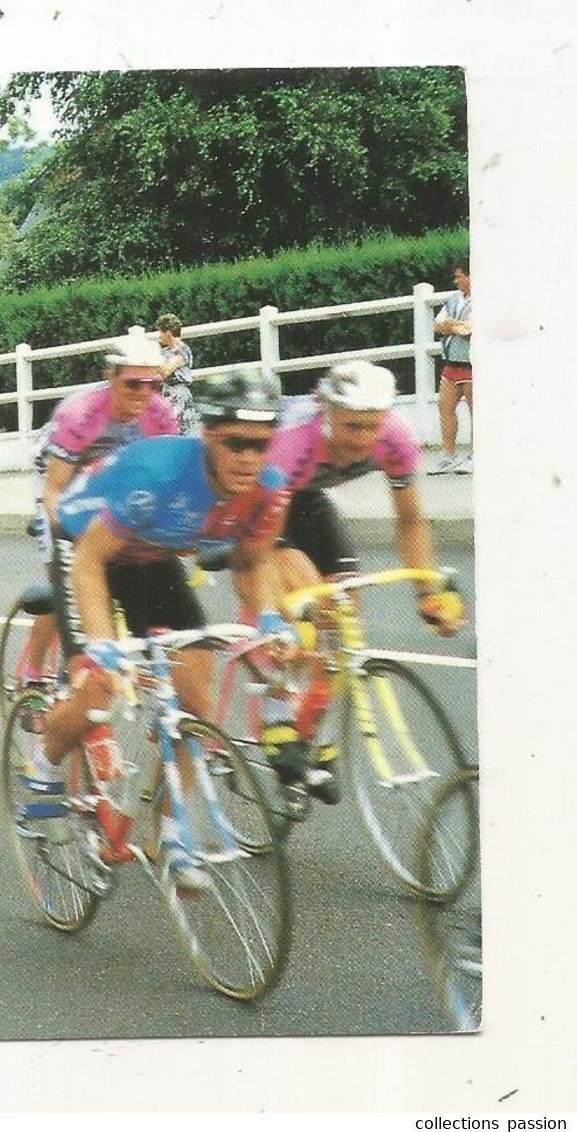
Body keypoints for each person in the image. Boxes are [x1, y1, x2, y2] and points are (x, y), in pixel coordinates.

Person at [38, 368, 295, 890]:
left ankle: (173, 834)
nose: (250, 457)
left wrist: (269, 617)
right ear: (210, 436)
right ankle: (40, 772)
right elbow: (90, 562)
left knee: (197, 706)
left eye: (261, 445)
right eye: (236, 444)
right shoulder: (160, 476)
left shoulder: (267, 489)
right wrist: (104, 647)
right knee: (99, 689)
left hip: (151, 554)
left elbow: (255, 561)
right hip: (88, 546)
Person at [261, 360, 466, 800]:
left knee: (345, 611)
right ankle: (276, 712)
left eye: (371, 427)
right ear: (326, 413)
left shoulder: (395, 437)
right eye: (352, 426)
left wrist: (427, 592)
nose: (362, 440)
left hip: (309, 499)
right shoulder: (293, 441)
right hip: (260, 505)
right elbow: (259, 541)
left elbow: (410, 520)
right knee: (306, 603)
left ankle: (312, 720)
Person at [13, 335, 180, 683]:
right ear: (112, 377)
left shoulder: (160, 414)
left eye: (153, 384)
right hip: (61, 476)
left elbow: (166, 478)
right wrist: (74, 541)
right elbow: (55, 490)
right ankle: (31, 670)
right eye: (133, 383)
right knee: (68, 580)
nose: (143, 393)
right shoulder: (83, 413)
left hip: (112, 473)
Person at [431, 261, 473, 475]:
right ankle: (449, 455)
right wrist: (456, 326)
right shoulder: (453, 300)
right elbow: (437, 325)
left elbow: (470, 329)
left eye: (459, 276)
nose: (456, 281)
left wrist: (452, 326)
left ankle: (477, 455)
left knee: (477, 411)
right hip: (452, 363)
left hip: (471, 364)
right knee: (444, 407)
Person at [155, 314, 198, 434]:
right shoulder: (165, 351)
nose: (160, 337)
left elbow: (166, 371)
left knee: (180, 428)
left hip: (179, 395)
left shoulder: (182, 350)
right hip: (167, 393)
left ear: (168, 333)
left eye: (161, 333)